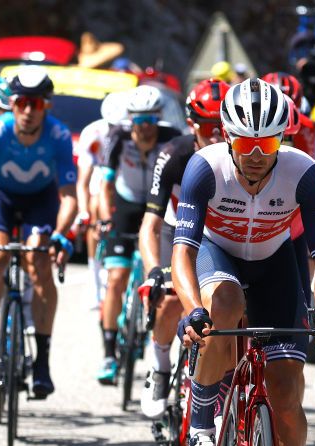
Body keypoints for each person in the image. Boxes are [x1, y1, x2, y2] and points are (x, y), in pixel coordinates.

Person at [172, 78, 315, 446]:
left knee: (288, 395)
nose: (254, 155)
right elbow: (182, 251)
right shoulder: (204, 166)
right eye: (245, 144)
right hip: (217, 255)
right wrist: (192, 309)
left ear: (282, 140)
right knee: (222, 304)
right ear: (227, 137)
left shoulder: (305, 173)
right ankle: (202, 429)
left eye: (267, 144)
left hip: (274, 267)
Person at [0, 66, 78, 398]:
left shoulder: (58, 136)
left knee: (39, 264)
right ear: (12, 104)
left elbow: (69, 197)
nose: (29, 111)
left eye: (37, 104)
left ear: (47, 106)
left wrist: (60, 234)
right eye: (22, 103)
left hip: (40, 201)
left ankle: (42, 361)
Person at [138, 78, 229, 418]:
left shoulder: (239, 156)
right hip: (177, 229)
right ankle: (161, 369)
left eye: (223, 127)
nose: (217, 136)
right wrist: (153, 271)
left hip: (218, 236)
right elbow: (151, 223)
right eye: (208, 127)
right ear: (192, 125)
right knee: (169, 297)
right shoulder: (173, 154)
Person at [95, 85, 180, 384]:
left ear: (159, 118)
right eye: (139, 121)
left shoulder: (172, 137)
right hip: (126, 204)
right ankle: (108, 354)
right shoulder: (117, 136)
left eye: (150, 121)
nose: (145, 128)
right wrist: (105, 220)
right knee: (116, 279)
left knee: (158, 275)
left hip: (158, 209)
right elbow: (104, 185)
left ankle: (152, 326)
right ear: (130, 120)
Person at [75, 89, 129, 309]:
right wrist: (83, 211)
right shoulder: (92, 133)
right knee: (96, 208)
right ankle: (95, 285)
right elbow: (83, 181)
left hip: (125, 177)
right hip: (101, 176)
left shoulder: (131, 132)